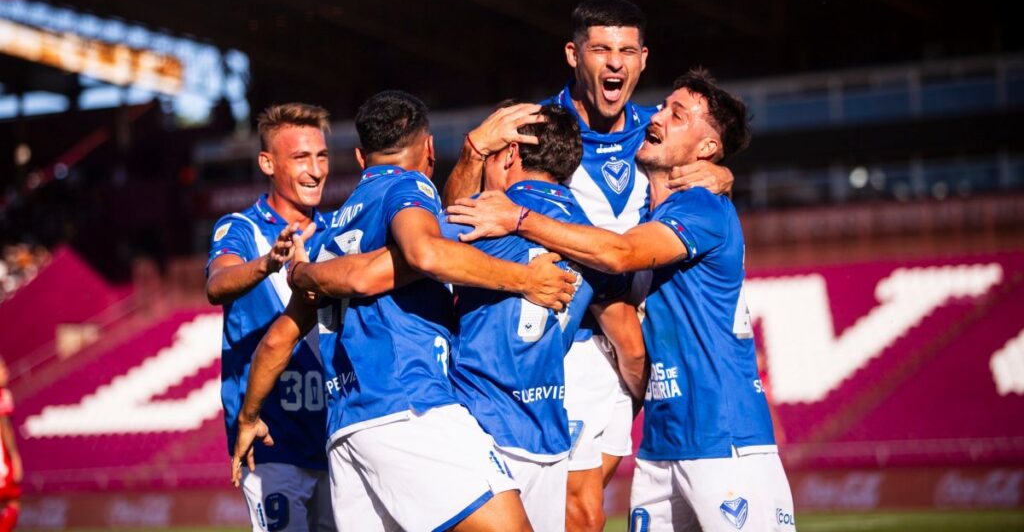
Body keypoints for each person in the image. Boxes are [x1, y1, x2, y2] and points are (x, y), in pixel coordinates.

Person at [448, 69, 796, 532]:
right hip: (662, 443)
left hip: (723, 437)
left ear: (707, 150)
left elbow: (618, 253)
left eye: (677, 114)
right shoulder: (656, 210)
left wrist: (518, 218)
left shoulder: (703, 208)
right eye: (662, 105)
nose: (657, 115)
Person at [232, 90, 578, 532]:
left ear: (360, 157)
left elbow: (278, 339)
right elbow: (427, 254)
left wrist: (248, 418)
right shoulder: (409, 184)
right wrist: (526, 279)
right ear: (429, 149)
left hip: (345, 431)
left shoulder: (326, 237)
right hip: (408, 405)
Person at [442, 104, 646, 531]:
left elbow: (421, 247)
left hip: (480, 423)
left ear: (512, 152)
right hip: (548, 435)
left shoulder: (482, 215)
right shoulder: (588, 238)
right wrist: (644, 396)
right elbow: (628, 339)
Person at [206, 103, 335, 532]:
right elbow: (217, 282)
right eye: (301, 157)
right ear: (267, 162)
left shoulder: (339, 230)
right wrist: (267, 263)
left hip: (338, 435)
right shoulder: (241, 228)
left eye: (321, 156)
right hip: (272, 438)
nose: (316, 170)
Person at [0, 357, 22, 532]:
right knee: (12, 502)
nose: (6, 371)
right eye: (2, 367)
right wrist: (15, 458)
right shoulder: (2, 394)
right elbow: (5, 428)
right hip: (1, 462)